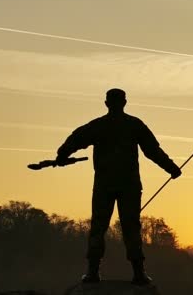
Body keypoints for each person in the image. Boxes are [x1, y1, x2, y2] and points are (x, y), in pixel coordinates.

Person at [56, 88, 182, 285]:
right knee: (130, 227)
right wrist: (171, 168)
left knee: (99, 227)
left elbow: (76, 138)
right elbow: (153, 151)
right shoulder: (134, 125)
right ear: (124, 102)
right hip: (128, 185)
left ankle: (93, 271)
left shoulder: (99, 126)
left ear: (107, 103)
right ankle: (138, 272)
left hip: (106, 185)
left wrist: (62, 154)